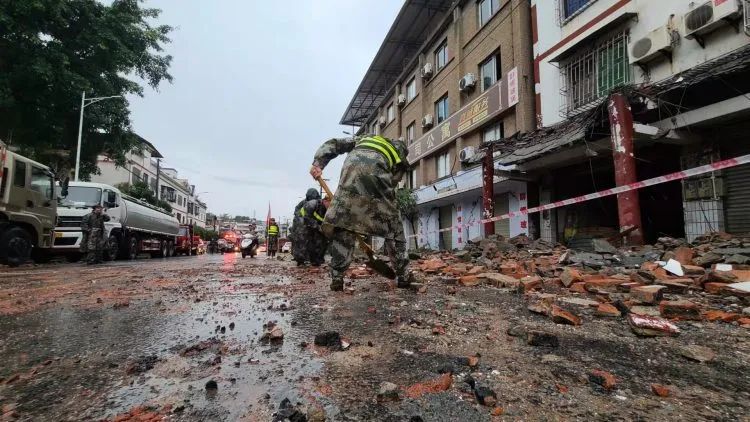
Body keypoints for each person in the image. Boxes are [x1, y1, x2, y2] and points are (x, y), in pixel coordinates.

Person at [309, 134, 413, 291]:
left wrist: (318, 163)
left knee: (344, 224)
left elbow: (336, 143)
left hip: (350, 174)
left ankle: (337, 277)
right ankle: (403, 276)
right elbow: (392, 182)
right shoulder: (399, 152)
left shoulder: (365, 138)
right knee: (394, 227)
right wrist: (376, 210)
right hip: (377, 177)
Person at [290, 188, 322, 266]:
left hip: (310, 225)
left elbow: (316, 215)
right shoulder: (305, 203)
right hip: (302, 225)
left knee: (312, 243)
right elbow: (298, 212)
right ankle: (301, 260)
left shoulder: (317, 203)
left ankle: (312, 260)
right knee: (301, 243)